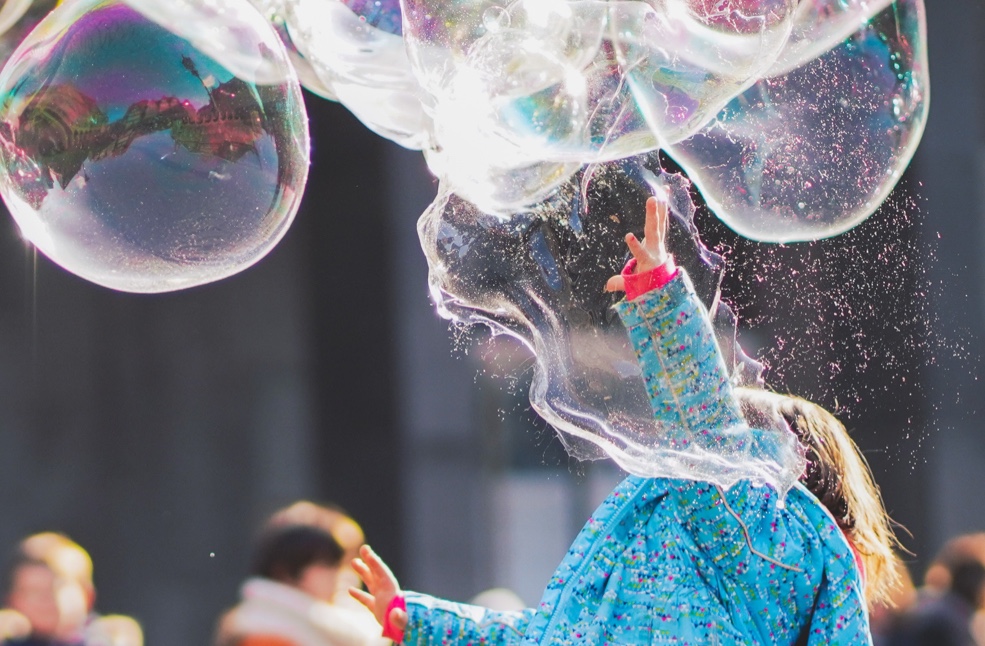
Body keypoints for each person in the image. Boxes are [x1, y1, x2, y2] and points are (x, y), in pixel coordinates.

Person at [349, 195, 877, 644]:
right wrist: (419, 622)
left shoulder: (756, 539)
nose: (673, 446)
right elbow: (559, 637)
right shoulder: (706, 548)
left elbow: (704, 426)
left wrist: (662, 296)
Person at [214, 502, 388, 646]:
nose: (343, 575)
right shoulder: (262, 632)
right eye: (329, 563)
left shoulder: (347, 625)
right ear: (285, 570)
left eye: (346, 564)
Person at [1, 532, 143, 646]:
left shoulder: (108, 639)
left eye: (55, 589)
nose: (44, 600)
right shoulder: (10, 640)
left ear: (87, 595)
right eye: (32, 592)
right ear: (12, 600)